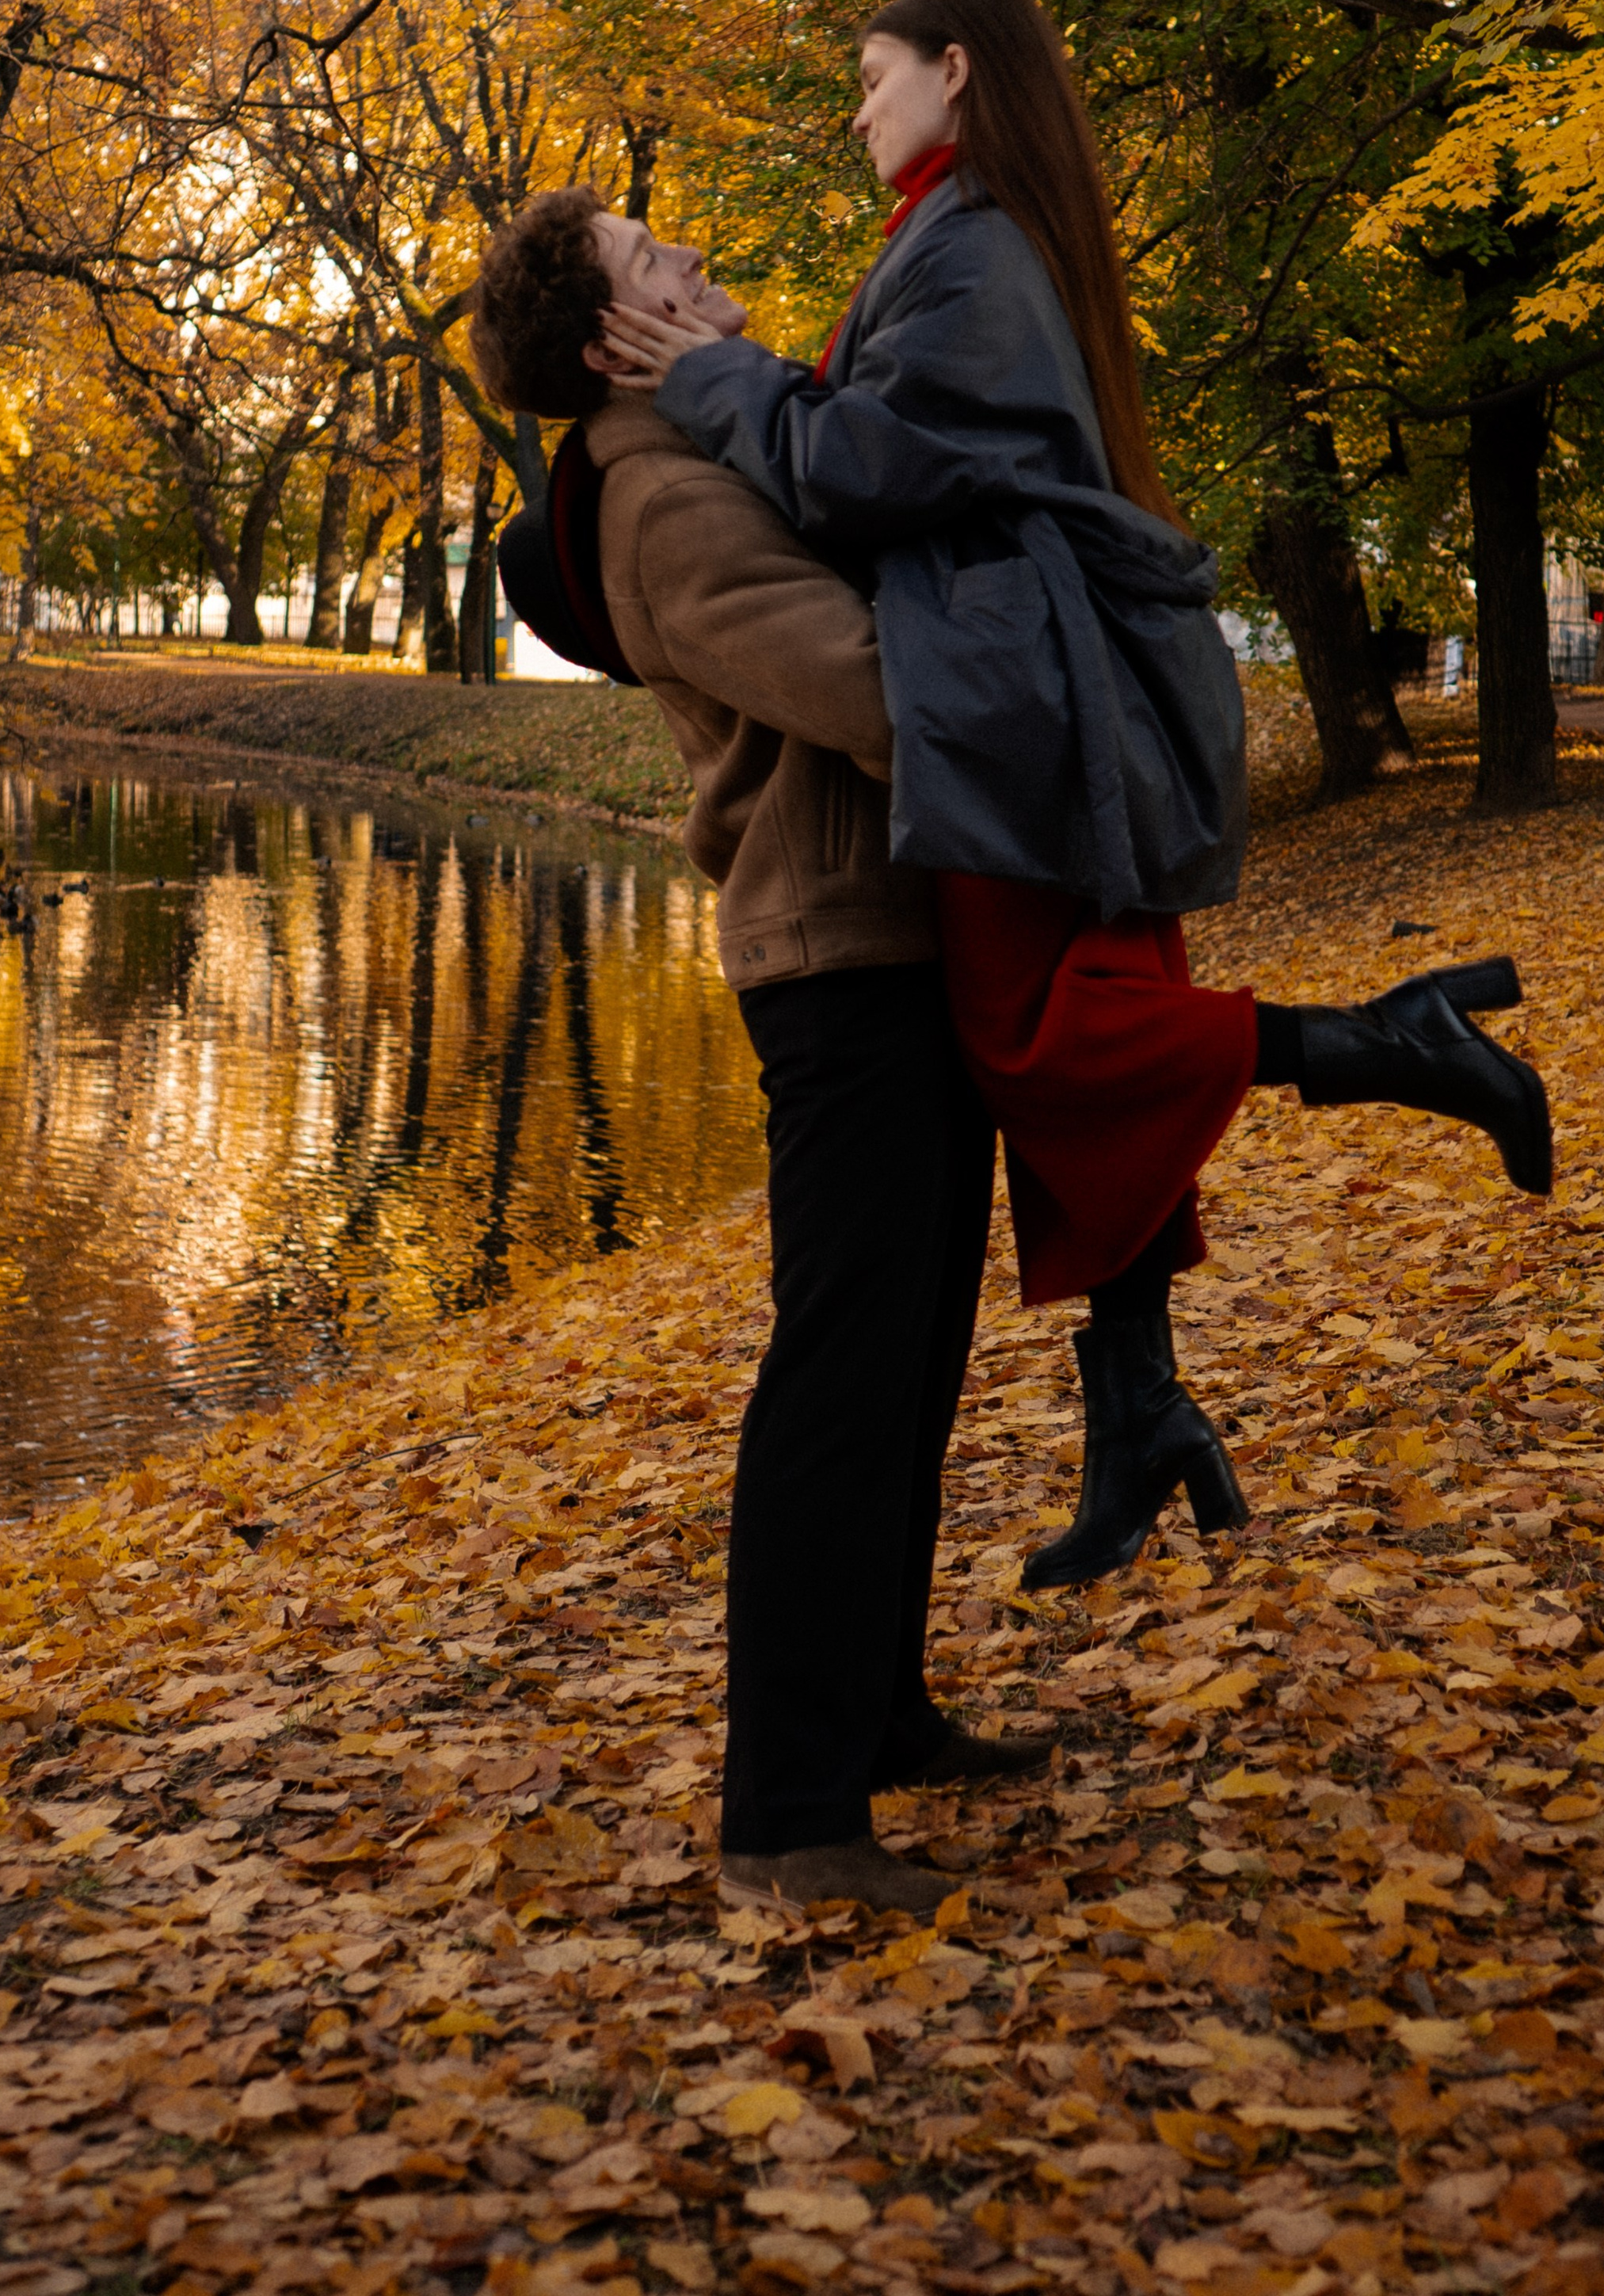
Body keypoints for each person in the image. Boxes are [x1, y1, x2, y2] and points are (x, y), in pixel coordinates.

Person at [596, 0, 1553, 1592]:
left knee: (1035, 1040)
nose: (853, 109)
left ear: (952, 71)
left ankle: (1393, 1041)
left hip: (1009, 702)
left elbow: (854, 472)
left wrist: (703, 381)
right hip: (1030, 689)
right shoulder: (960, 232)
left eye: (869, 74)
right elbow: (879, 451)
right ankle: (1137, 1405)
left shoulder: (969, 245)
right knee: (1086, 1025)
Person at [470, 193, 1053, 1924]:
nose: (705, 276)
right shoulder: (660, 498)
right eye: (664, 272)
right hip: (834, 964)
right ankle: (788, 1814)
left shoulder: (715, 457)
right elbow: (873, 691)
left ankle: (875, 1717)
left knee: (908, 1362)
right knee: (838, 1384)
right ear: (610, 345)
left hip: (897, 939)